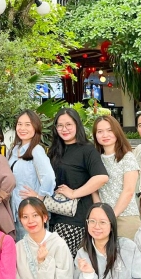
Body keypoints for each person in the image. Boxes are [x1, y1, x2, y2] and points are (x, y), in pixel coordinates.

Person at [47, 107, 109, 257]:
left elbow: (101, 177)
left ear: (77, 125)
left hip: (76, 219)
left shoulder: (87, 150)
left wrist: (75, 193)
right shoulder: (54, 151)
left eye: (69, 124)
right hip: (55, 215)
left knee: (68, 264)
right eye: (60, 125)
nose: (64, 129)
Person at [7, 110, 56, 241]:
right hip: (16, 211)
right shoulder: (13, 150)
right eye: (19, 124)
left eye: (28, 124)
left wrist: (39, 197)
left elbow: (49, 177)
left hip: (32, 213)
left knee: (34, 251)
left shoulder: (36, 150)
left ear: (35, 127)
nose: (22, 128)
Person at [92, 115, 141, 239]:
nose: (105, 135)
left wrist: (111, 216)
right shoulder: (95, 159)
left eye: (110, 130)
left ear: (117, 132)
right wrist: (100, 214)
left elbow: (128, 191)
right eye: (100, 131)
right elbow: (94, 189)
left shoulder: (127, 157)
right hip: (102, 220)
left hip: (125, 217)